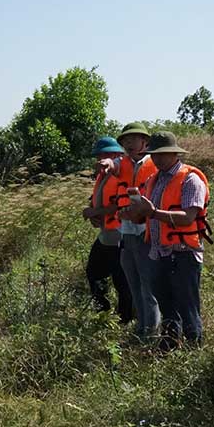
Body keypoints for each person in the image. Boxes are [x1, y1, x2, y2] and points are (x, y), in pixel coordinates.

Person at [126, 131, 211, 350]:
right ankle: (170, 345)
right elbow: (146, 213)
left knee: (187, 305)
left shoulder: (190, 179)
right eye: (154, 154)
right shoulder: (153, 180)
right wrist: (134, 212)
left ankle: (194, 349)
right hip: (158, 253)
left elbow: (188, 217)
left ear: (175, 153)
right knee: (166, 304)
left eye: (162, 154)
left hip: (183, 253)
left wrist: (153, 213)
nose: (157, 159)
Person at [112, 122, 160, 339]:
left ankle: (151, 331)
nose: (128, 143)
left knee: (147, 285)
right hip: (127, 232)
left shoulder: (154, 164)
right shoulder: (122, 164)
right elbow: (110, 164)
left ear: (145, 142)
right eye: (125, 140)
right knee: (133, 283)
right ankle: (141, 327)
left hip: (146, 232)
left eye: (133, 139)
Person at [81, 136, 133, 319]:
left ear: (117, 153)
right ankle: (102, 311)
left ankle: (125, 317)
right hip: (107, 234)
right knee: (94, 272)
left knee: (121, 280)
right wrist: (94, 214)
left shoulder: (123, 172)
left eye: (104, 154)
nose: (100, 159)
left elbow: (118, 205)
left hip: (120, 234)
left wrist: (95, 213)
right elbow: (100, 200)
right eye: (99, 155)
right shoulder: (103, 175)